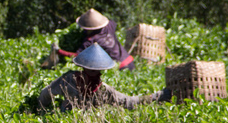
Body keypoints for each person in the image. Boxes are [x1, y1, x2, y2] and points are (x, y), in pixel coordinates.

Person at [37, 44, 170, 112]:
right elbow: (46, 94)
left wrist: (156, 96)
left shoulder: (103, 90)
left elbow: (128, 102)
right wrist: (44, 113)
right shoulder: (69, 81)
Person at [40, 8, 135, 71]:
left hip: (119, 67)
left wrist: (60, 52)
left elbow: (78, 56)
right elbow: (112, 23)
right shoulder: (109, 26)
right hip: (129, 60)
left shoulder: (90, 41)